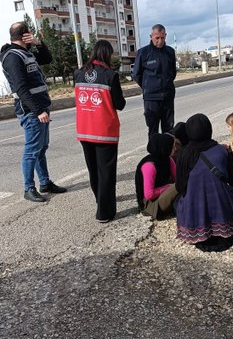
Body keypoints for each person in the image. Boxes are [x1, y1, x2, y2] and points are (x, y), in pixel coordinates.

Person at [0, 21, 67, 202]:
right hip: (32, 112)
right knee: (32, 150)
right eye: (30, 33)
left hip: (40, 107)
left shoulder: (26, 52)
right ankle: (28, 188)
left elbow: (47, 59)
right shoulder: (13, 57)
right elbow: (21, 89)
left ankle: (45, 182)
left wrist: (39, 43)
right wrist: (38, 111)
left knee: (41, 148)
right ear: (24, 36)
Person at [175, 114, 233, 252]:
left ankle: (197, 228)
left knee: (178, 202)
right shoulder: (222, 150)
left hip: (195, 212)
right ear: (209, 129)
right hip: (222, 209)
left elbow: (179, 187)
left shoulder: (184, 154)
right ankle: (221, 227)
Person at [74, 40, 126, 223]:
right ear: (106, 54)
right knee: (107, 172)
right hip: (104, 132)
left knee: (94, 170)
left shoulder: (78, 73)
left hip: (85, 131)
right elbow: (120, 104)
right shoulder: (110, 75)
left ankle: (99, 200)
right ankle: (104, 213)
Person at [132, 24, 177, 138]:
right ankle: (155, 155)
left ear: (165, 36)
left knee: (169, 130)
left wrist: (166, 84)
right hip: (151, 99)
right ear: (151, 36)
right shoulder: (143, 53)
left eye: (162, 37)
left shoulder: (170, 52)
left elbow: (173, 72)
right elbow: (136, 74)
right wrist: (148, 87)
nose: (160, 41)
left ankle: (169, 155)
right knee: (153, 130)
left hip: (167, 96)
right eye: (157, 38)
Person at [135, 133, 177, 219]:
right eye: (172, 147)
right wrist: (169, 187)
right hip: (151, 204)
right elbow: (149, 194)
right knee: (178, 186)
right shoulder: (149, 166)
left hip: (163, 194)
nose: (175, 149)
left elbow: (177, 176)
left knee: (182, 183)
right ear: (164, 148)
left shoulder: (167, 158)